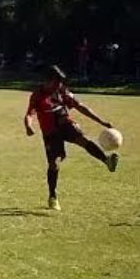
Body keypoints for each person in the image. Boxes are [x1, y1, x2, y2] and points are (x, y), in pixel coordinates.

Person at [24, 65, 119, 211]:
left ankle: (106, 160)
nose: (59, 85)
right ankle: (52, 196)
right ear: (48, 81)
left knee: (82, 139)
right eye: (56, 82)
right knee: (54, 164)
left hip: (65, 125)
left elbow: (80, 106)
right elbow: (30, 113)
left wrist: (101, 121)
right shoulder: (38, 95)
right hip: (51, 134)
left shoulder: (62, 91)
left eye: (60, 82)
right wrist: (28, 126)